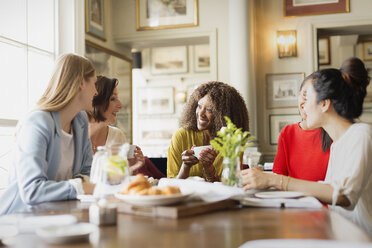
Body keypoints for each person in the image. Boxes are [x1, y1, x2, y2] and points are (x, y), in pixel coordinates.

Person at [242, 57, 372, 235]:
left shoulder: (361, 135)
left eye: (306, 97)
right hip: (340, 235)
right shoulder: (338, 145)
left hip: (361, 239)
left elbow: (343, 196)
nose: (301, 104)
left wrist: (274, 180)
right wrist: (264, 180)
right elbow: (326, 192)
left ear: (325, 103)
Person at [0, 53, 97, 215]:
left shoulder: (80, 121)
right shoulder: (38, 122)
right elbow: (32, 190)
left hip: (58, 216)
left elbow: (87, 171)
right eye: (94, 83)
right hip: (20, 219)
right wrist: (81, 186)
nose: (96, 91)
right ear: (81, 82)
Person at [167, 81, 249, 182]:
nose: (200, 113)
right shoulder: (181, 135)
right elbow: (172, 185)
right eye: (199, 106)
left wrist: (209, 170)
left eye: (209, 110)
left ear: (224, 115)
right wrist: (186, 166)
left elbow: (231, 185)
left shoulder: (232, 141)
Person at [88, 76, 164, 178]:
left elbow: (117, 181)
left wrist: (132, 169)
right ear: (96, 101)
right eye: (113, 99)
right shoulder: (74, 135)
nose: (120, 105)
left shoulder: (117, 135)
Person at [273, 78, 332, 181]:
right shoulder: (287, 133)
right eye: (303, 95)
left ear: (323, 103)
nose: (305, 103)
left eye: (311, 97)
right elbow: (278, 178)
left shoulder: (333, 133)